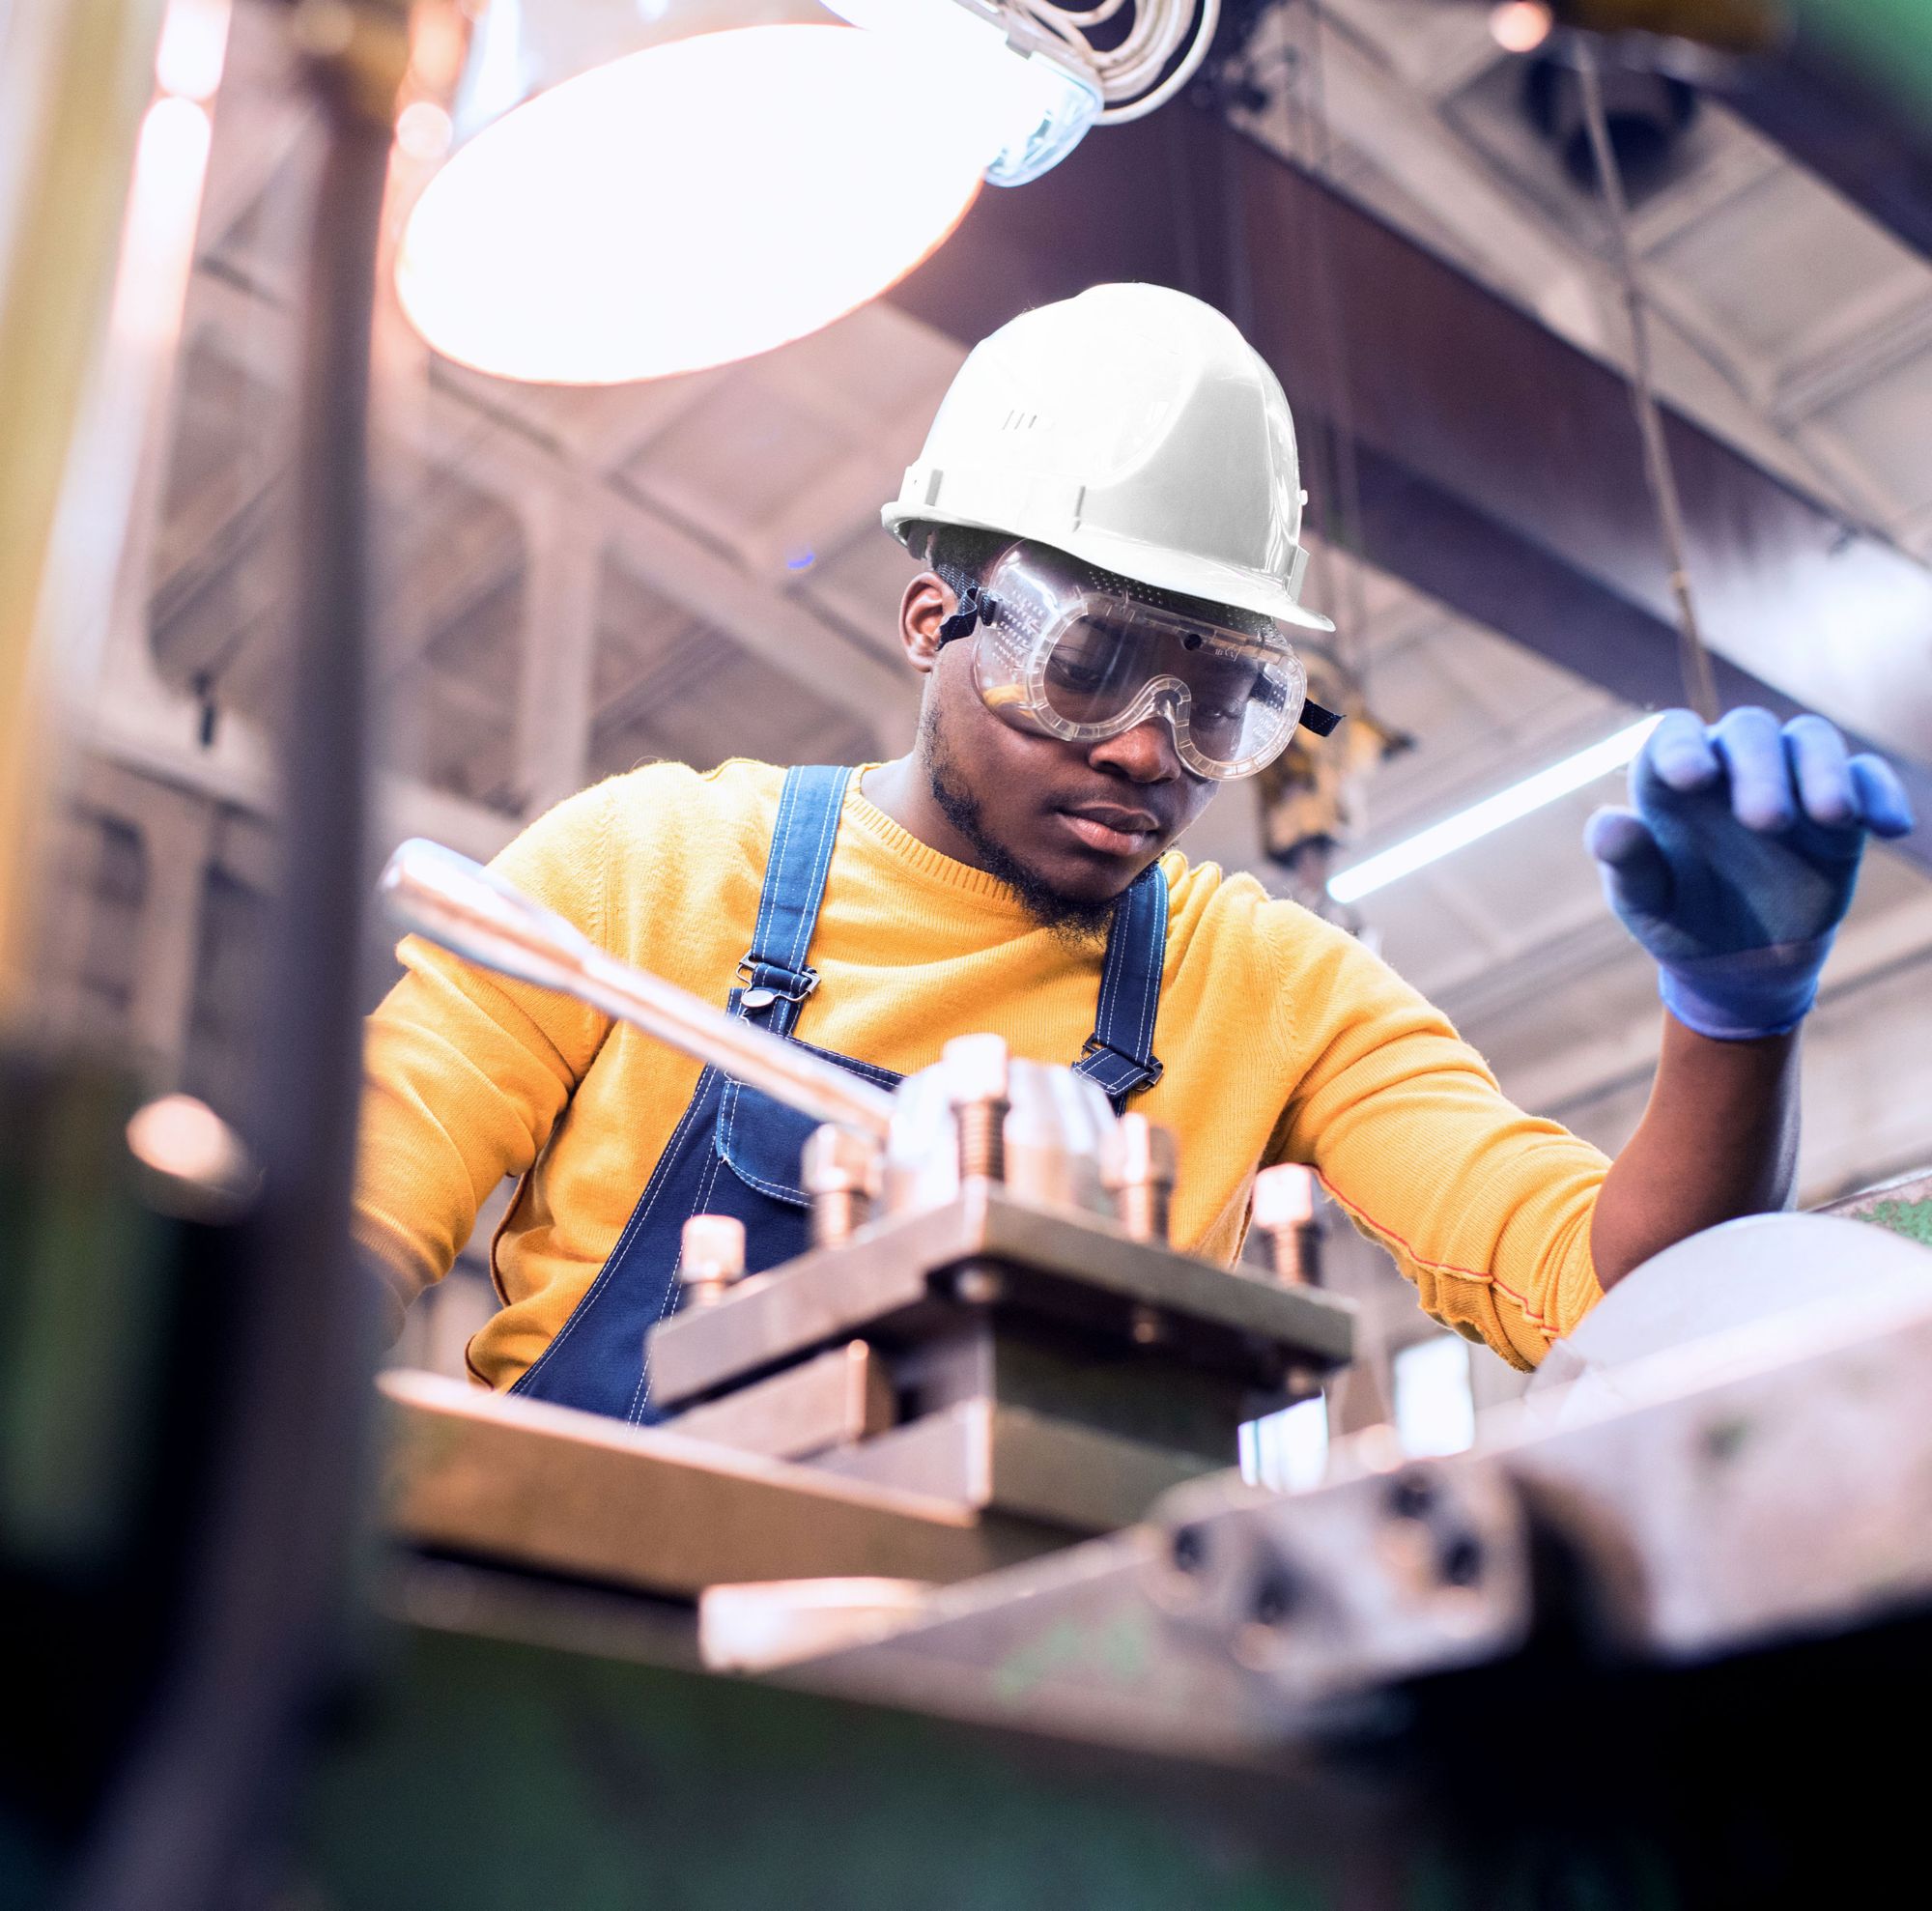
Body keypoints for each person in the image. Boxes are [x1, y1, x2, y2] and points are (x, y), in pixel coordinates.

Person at [354, 282, 1916, 1419]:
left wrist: (1733, 1022)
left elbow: (1612, 1291)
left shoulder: (1272, 987)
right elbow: (343, 1234)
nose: (1148, 751)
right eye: (1090, 663)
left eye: (1224, 701)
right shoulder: (635, 873)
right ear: (931, 617)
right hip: (600, 1640)